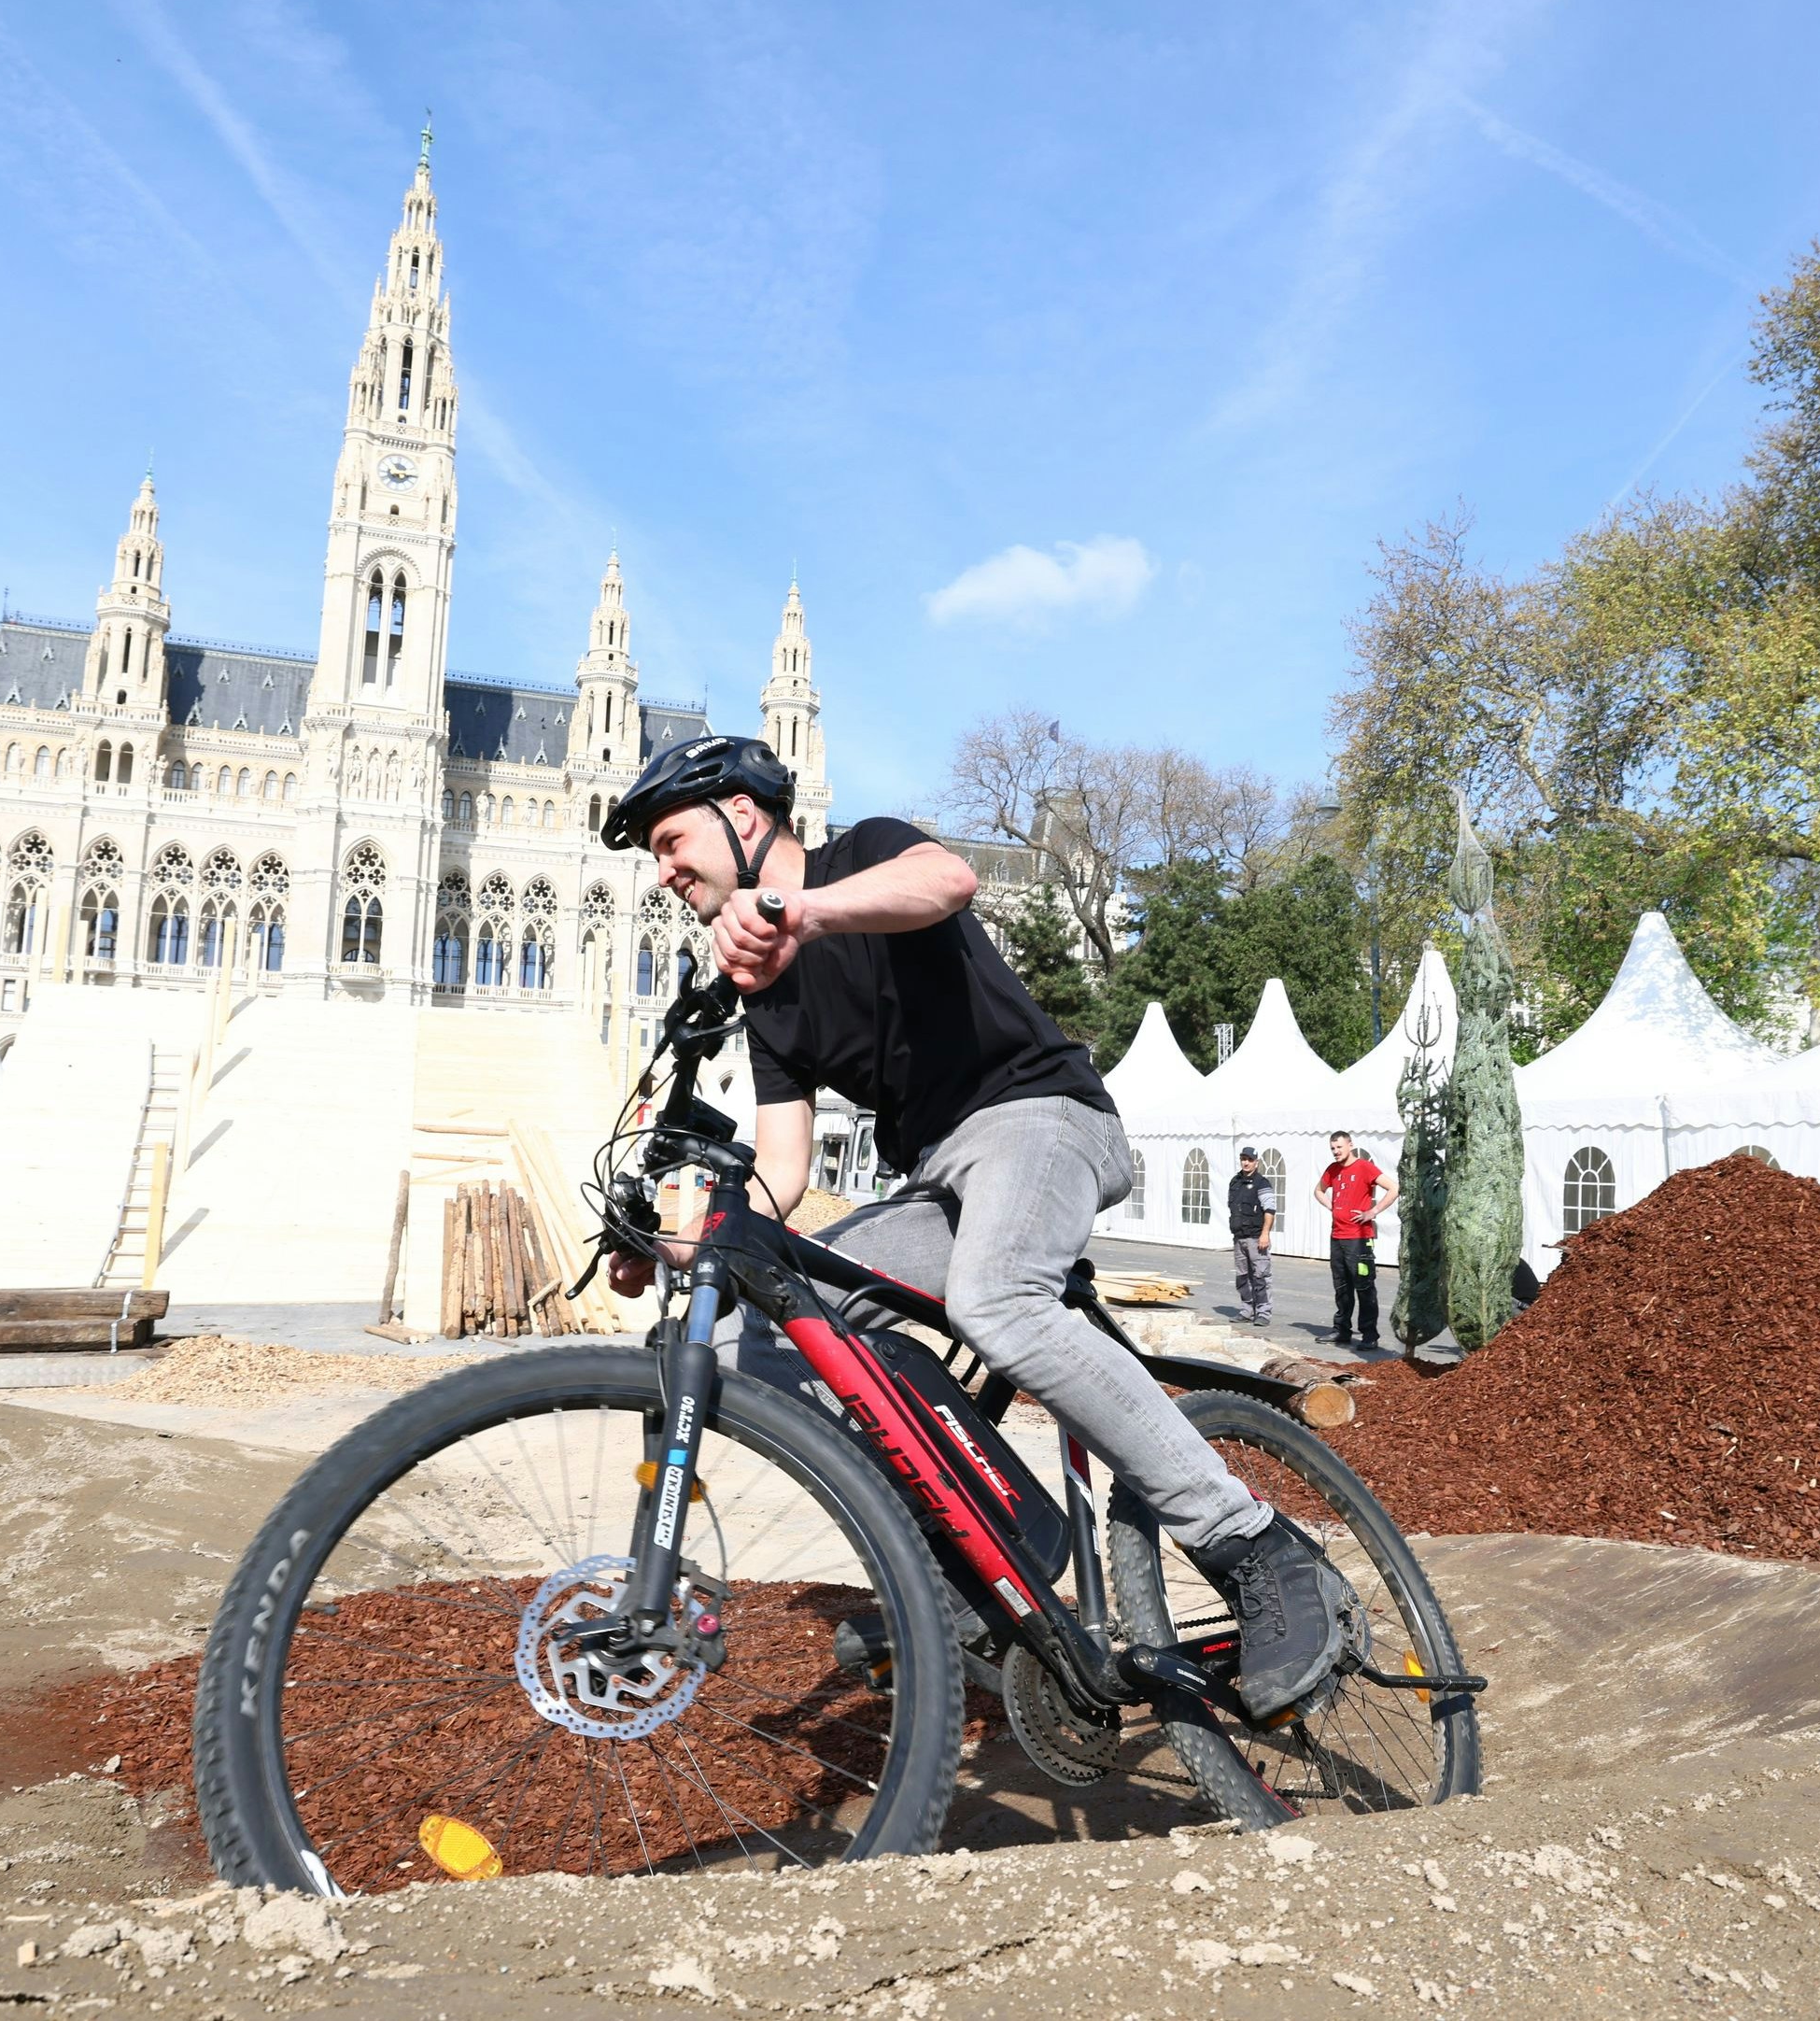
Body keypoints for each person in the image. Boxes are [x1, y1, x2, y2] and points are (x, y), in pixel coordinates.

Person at [598, 733, 1351, 1716]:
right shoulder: (768, 1001)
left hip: (1040, 1120)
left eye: (668, 841)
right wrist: (675, 1251)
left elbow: (946, 881)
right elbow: (780, 1174)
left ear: (742, 817)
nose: (663, 873)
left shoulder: (859, 856)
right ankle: (997, 1549)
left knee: (995, 1296)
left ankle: (1254, 1546)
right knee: (762, 1327)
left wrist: (801, 912)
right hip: (941, 1183)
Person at [1315, 1131, 1395, 1349]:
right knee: (1341, 1287)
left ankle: (1370, 1335)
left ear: (1350, 1145)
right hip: (1337, 1237)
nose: (1336, 1152)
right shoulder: (1333, 1170)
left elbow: (1394, 1188)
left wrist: (1373, 1211)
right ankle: (1342, 1330)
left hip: (1358, 1239)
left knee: (1364, 1287)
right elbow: (1319, 1190)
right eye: (1332, 1148)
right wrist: (1331, 1205)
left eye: (1339, 1147)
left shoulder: (1364, 1167)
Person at [1223, 1146, 1277, 1323]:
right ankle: (1247, 1310)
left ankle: (1263, 1313)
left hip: (1256, 1238)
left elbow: (1270, 1210)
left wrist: (1265, 1234)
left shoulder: (1262, 1183)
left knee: (1261, 1276)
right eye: (1243, 1159)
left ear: (1256, 1162)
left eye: (1250, 1159)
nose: (1246, 1162)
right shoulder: (1235, 1182)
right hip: (1239, 1237)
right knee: (1242, 1277)